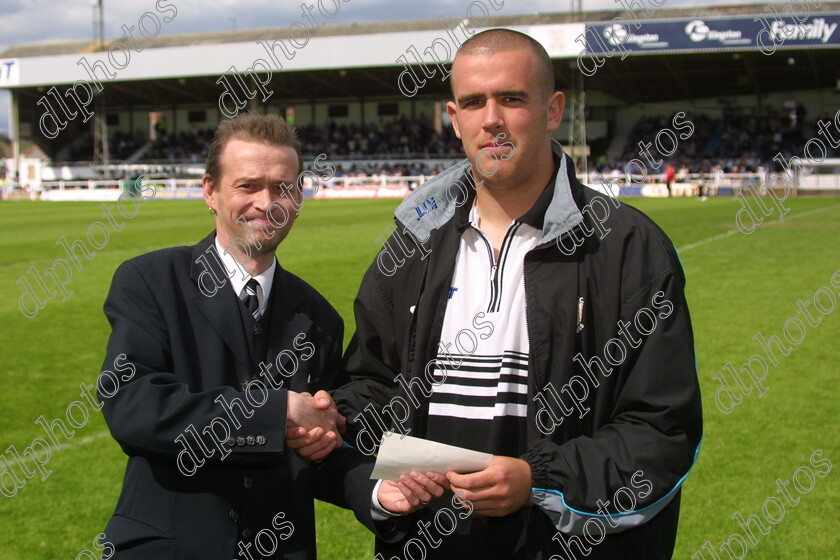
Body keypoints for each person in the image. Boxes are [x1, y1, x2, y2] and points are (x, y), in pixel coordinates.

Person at [298, 29, 703, 559]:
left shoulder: (629, 247)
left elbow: (661, 429)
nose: (491, 118)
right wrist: (337, 416)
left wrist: (539, 480)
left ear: (553, 109)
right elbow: (375, 381)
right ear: (454, 117)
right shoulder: (412, 245)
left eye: (511, 98)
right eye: (473, 102)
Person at [98, 113, 440, 559]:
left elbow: (319, 447)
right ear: (210, 192)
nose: (266, 203)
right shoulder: (151, 280)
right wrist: (275, 412)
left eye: (283, 187)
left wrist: (372, 490)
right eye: (248, 186)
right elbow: (132, 406)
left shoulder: (318, 317)